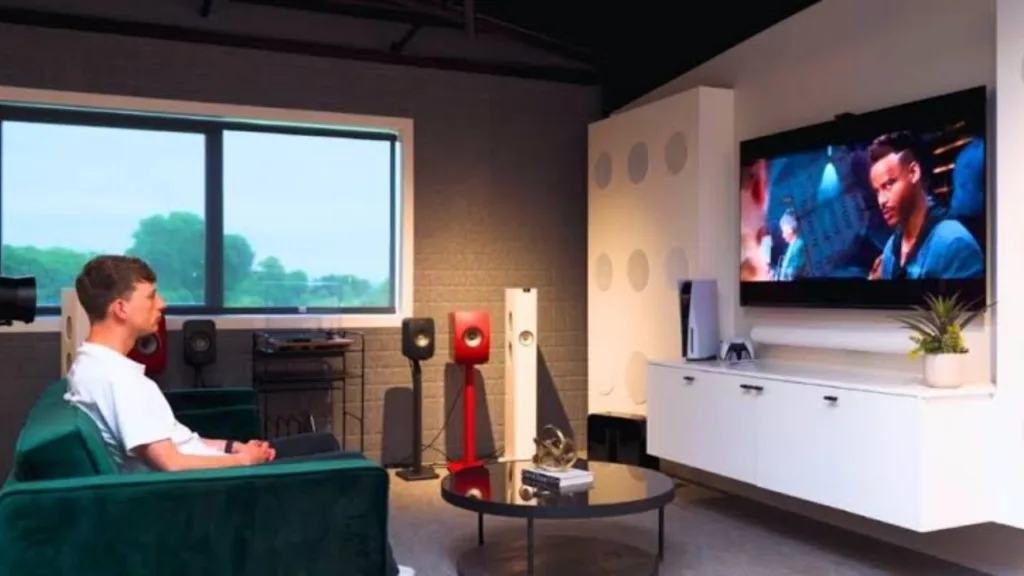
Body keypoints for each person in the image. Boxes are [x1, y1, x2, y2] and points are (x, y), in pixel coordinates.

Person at [64, 255, 413, 576]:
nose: (163, 304)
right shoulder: (118, 381)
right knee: (354, 469)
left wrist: (234, 446)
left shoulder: (93, 365)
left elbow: (179, 442)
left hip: (210, 471)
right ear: (121, 308)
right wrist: (243, 461)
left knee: (324, 442)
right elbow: (171, 464)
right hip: (209, 490)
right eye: (152, 296)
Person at [867, 131, 984, 280]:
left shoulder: (953, 243)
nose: (881, 200)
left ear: (913, 172)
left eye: (889, 185)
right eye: (877, 191)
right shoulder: (891, 248)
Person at [776, 209, 807, 280]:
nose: (783, 235)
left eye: (783, 231)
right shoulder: (792, 246)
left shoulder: (799, 245)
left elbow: (794, 272)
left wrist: (777, 273)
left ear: (789, 230)